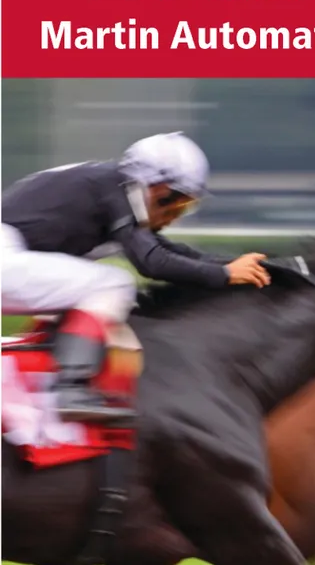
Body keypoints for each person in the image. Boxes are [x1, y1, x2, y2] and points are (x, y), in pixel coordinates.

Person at [1, 132, 271, 425]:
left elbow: (166, 250)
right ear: (157, 189)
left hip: (13, 254)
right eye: (177, 205)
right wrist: (224, 275)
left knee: (90, 298)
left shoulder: (112, 186)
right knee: (113, 284)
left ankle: (52, 372)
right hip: (8, 254)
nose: (174, 217)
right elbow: (152, 262)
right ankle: (70, 389)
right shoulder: (114, 190)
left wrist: (230, 266)